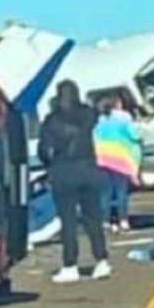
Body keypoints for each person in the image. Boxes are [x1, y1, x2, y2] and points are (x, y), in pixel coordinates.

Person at [38, 80, 111, 284]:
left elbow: (44, 150)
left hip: (64, 172)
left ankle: (70, 265)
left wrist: (50, 164)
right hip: (88, 169)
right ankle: (101, 260)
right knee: (93, 218)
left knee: (68, 222)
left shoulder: (52, 120)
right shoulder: (88, 115)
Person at [93, 92, 142, 232]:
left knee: (105, 193)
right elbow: (135, 135)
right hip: (120, 160)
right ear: (117, 105)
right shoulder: (125, 120)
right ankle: (123, 220)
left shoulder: (100, 123)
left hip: (102, 160)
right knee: (121, 192)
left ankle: (105, 221)